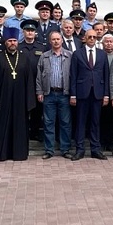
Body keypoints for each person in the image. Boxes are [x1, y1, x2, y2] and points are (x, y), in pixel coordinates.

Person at [0, 28, 36, 162]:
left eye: (14, 40)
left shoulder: (24, 58)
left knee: (19, 127)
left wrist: (29, 101)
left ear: (17, 42)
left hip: (20, 100)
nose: (12, 43)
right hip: (3, 100)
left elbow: (30, 81)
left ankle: (18, 154)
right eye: (10, 41)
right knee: (2, 126)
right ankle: (1, 154)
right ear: (5, 42)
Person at [70, 28, 110, 160]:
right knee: (80, 122)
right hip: (82, 93)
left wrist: (106, 94)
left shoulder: (102, 54)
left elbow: (106, 75)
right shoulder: (77, 54)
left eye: (94, 37)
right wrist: (73, 94)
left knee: (95, 122)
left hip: (97, 93)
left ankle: (95, 149)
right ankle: (80, 150)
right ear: (85, 38)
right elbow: (73, 75)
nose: (92, 39)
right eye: (89, 37)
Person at [36, 30, 73, 159]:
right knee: (48, 123)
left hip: (64, 94)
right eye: (53, 39)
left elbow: (73, 75)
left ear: (62, 40)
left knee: (65, 122)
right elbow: (39, 76)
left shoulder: (69, 55)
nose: (56, 41)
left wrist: (73, 94)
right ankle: (49, 150)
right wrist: (39, 91)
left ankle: (65, 149)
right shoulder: (44, 56)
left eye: (58, 39)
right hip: (49, 93)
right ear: (50, 41)